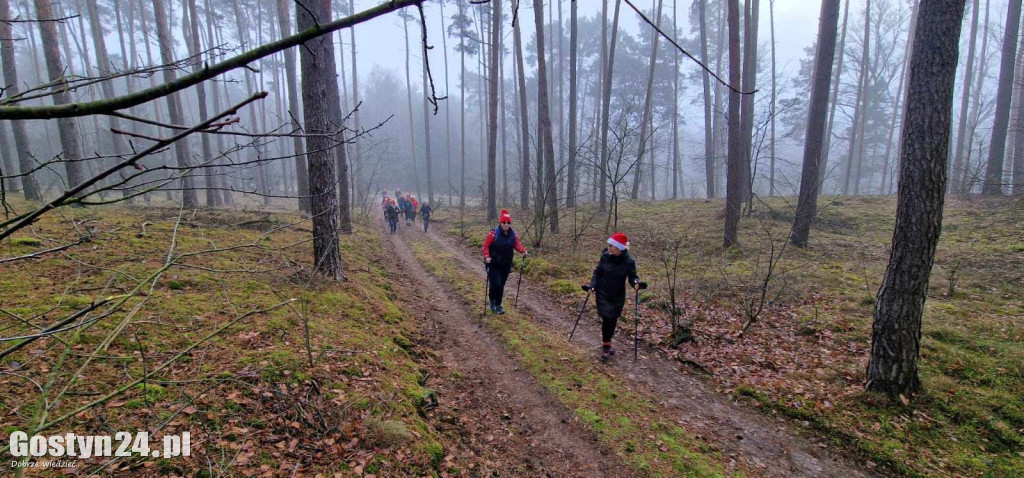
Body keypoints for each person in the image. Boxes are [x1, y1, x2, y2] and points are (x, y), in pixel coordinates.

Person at [582, 232, 643, 361]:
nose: (609, 248)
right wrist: (592, 286)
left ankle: (607, 342)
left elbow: (633, 277)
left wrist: (636, 283)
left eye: (612, 246)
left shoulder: (629, 262)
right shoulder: (605, 257)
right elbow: (597, 273)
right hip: (603, 292)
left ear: (620, 248)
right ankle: (606, 346)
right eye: (609, 245)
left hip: (618, 295)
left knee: (613, 319)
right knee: (606, 318)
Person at [482, 210, 527, 314]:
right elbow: (485, 245)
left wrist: (523, 251)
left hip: (506, 264)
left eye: (508, 223)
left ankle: (498, 305)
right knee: (495, 284)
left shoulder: (513, 235)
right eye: (504, 222)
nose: (506, 225)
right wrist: (486, 256)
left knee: (501, 285)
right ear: (500, 223)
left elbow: (517, 245)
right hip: (493, 263)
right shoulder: (493, 233)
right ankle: (492, 302)